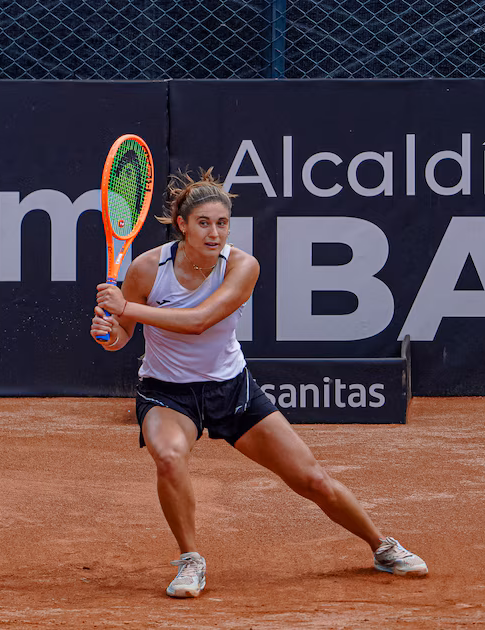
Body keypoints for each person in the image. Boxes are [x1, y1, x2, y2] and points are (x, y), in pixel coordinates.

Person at [89, 169, 427, 599]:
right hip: (166, 392)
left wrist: (129, 311)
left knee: (311, 479)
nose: (215, 233)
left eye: (222, 223)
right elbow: (121, 339)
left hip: (231, 388)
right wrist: (108, 330)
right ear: (183, 225)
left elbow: (200, 322)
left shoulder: (242, 265)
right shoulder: (146, 268)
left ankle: (382, 547)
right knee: (170, 456)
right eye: (204, 223)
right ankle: (191, 559)